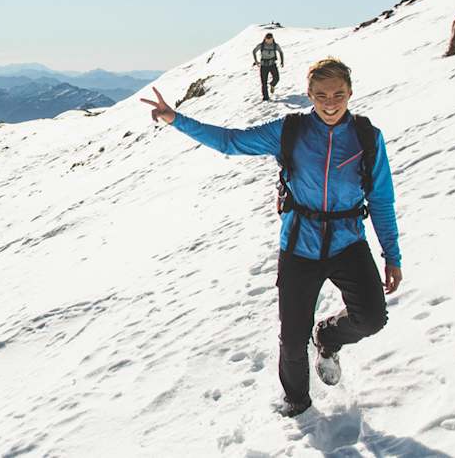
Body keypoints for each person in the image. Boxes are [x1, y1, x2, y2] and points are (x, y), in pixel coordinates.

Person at [140, 58, 402, 418]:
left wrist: (392, 256)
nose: (330, 102)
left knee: (371, 318)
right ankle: (298, 403)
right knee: (293, 339)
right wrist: (175, 118)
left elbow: (382, 199)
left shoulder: (367, 138)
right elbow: (231, 142)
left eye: (338, 93)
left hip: (348, 243)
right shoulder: (290, 131)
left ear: (350, 93)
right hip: (299, 245)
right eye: (321, 94)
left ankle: (327, 338)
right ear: (309, 95)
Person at [253, 33, 285, 101]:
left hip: (272, 64)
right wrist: (256, 61)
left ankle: (272, 84)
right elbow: (254, 51)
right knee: (263, 82)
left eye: (270, 39)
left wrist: (282, 61)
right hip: (263, 65)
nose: (269, 41)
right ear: (265, 39)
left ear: (272, 39)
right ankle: (265, 97)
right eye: (267, 39)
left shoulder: (275, 45)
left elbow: (281, 52)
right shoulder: (261, 45)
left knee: (276, 78)